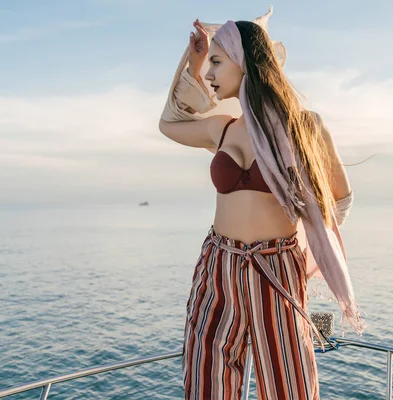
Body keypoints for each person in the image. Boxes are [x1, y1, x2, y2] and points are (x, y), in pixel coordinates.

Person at [158, 14, 363, 400]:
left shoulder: (304, 126)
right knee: (207, 381)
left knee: (290, 386)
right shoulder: (220, 128)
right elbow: (169, 123)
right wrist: (194, 60)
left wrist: (303, 238)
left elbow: (340, 200)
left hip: (277, 267)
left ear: (245, 62)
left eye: (218, 62)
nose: (210, 75)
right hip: (217, 265)